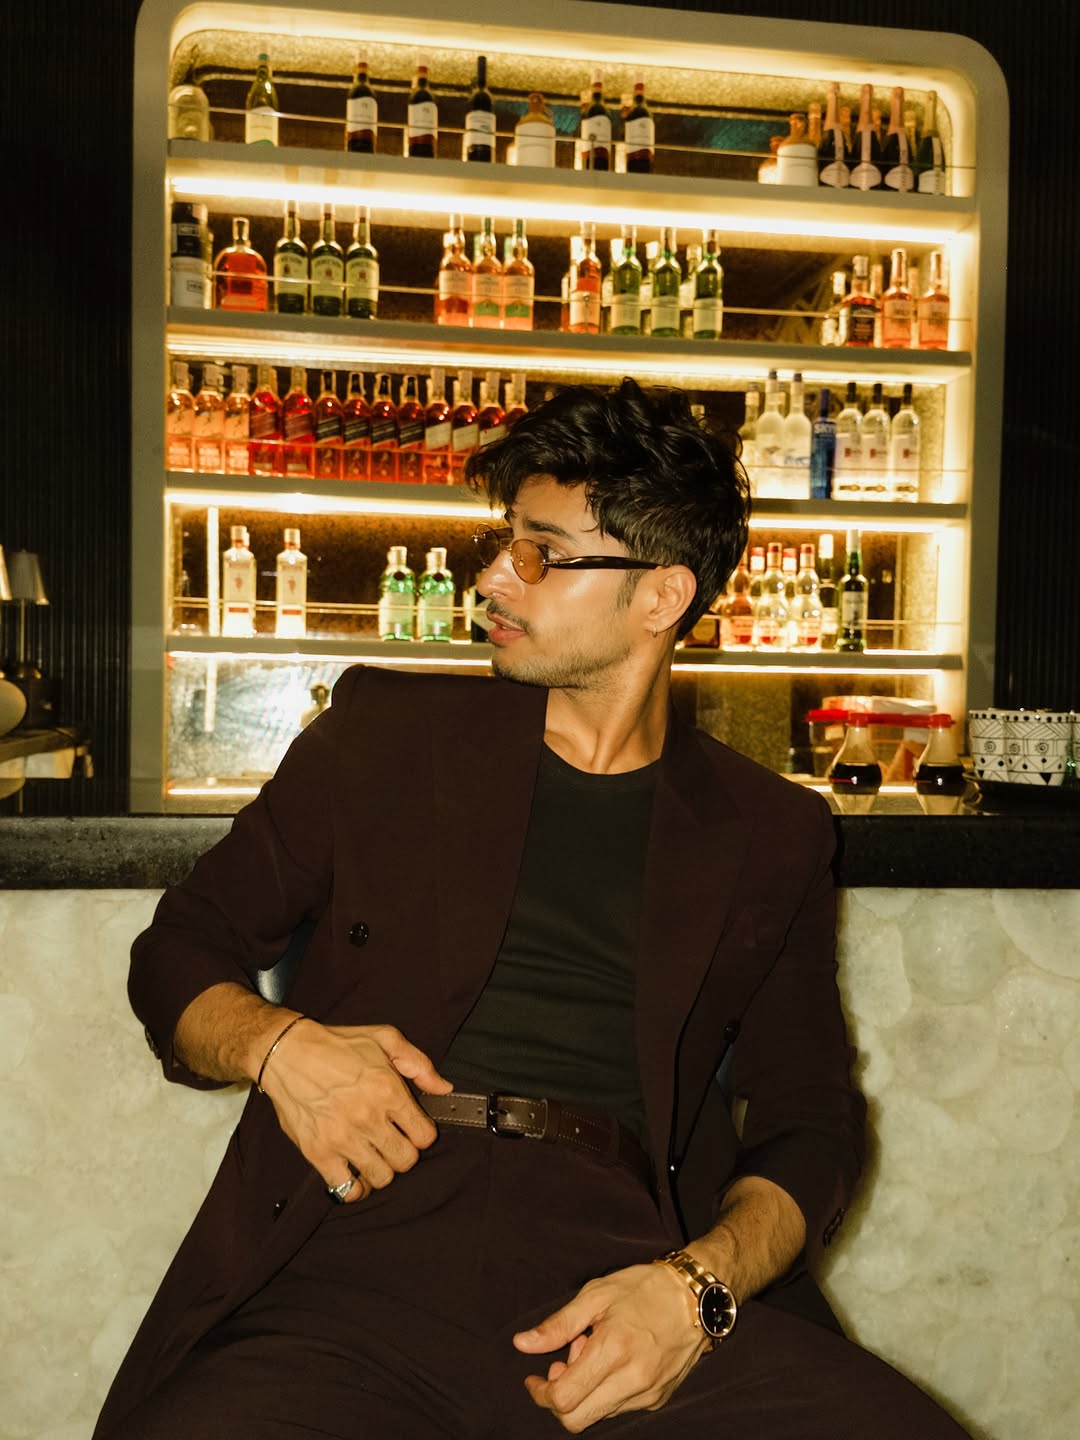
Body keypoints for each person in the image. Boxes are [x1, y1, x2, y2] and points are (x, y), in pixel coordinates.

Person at [94, 379, 969, 1439]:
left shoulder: (769, 831)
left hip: (621, 1276)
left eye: (544, 553)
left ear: (661, 597)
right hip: (356, 1258)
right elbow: (180, 948)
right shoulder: (384, 739)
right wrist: (279, 1047)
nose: (494, 577)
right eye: (506, 541)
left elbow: (812, 1124)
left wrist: (695, 1290)